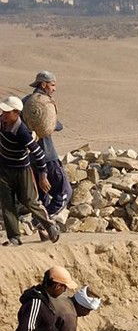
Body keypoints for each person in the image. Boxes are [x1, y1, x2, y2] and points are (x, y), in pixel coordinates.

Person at [0, 95, 59, 245]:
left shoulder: (22, 131)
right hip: (4, 170)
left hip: (22, 171)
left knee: (29, 200)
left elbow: (39, 154)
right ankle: (14, 237)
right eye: (3, 111)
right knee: (7, 204)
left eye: (7, 112)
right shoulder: (1, 123)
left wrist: (42, 176)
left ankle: (50, 225)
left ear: (16, 113)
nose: (3, 114)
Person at [22, 71, 70, 220]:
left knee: (42, 199)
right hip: (48, 157)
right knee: (64, 193)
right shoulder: (44, 102)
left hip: (31, 159)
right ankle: (41, 222)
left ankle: (43, 231)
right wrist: (49, 122)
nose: (54, 89)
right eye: (52, 85)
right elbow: (57, 126)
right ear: (43, 84)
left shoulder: (25, 101)